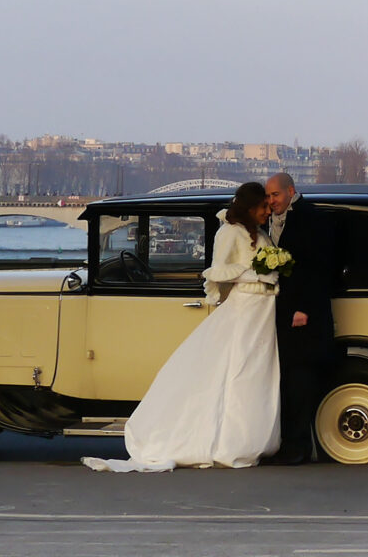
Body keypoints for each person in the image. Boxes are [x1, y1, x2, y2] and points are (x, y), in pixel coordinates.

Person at [82, 182, 281, 472]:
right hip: (247, 306)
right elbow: (217, 271)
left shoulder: (257, 232)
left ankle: (246, 438)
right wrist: (255, 273)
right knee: (238, 372)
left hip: (261, 311)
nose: (268, 210)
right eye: (263, 206)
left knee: (253, 373)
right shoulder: (230, 231)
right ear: (251, 207)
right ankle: (230, 441)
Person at [262, 172, 337, 465]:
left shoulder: (311, 218)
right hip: (281, 314)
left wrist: (304, 308)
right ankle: (288, 442)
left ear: (290, 191)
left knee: (300, 381)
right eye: (268, 197)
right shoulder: (272, 220)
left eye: (275, 196)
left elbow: (319, 267)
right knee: (287, 379)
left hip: (303, 315)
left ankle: (298, 446)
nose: (271, 202)